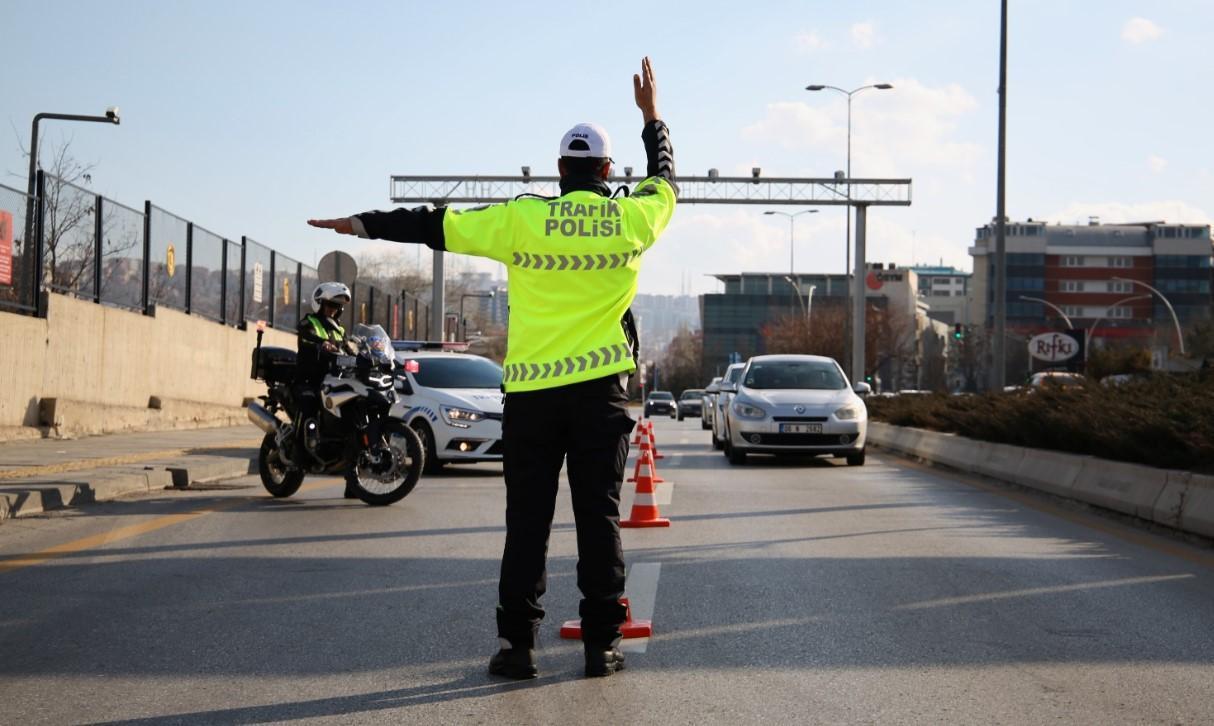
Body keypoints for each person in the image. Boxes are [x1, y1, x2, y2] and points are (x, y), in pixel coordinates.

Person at [308, 57, 676, 678]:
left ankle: (517, 647)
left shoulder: (522, 217)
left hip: (532, 397)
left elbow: (434, 225)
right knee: (600, 518)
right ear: (608, 172)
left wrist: (359, 224)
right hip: (600, 397)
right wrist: (652, 116)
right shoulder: (632, 216)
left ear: (560, 171)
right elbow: (666, 180)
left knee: (527, 523)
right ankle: (601, 645)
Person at [296, 282, 357, 498]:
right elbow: (307, 334)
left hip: (335, 381)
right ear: (319, 304)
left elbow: (349, 347)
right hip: (309, 379)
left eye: (336, 306)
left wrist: (361, 351)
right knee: (309, 405)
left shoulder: (339, 329)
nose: (333, 309)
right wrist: (321, 343)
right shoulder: (309, 322)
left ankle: (353, 484)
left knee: (352, 425)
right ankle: (302, 448)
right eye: (329, 305)